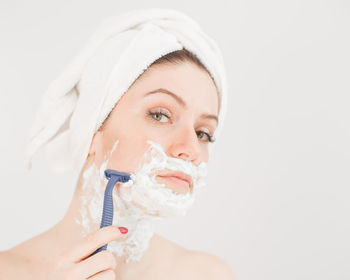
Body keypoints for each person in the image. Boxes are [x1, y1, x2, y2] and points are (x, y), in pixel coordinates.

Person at [0, 8, 235, 280]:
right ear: (93, 130)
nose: (192, 150)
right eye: (160, 115)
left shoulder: (210, 275)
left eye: (203, 133)